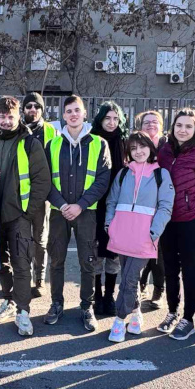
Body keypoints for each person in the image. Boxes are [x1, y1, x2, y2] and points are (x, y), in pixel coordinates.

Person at [0, 96, 51, 337]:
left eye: (11, 116)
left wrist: (28, 214)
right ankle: (9, 300)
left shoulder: (30, 143)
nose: (7, 121)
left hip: (18, 215)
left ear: (19, 116)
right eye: (2, 117)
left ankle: (23, 311)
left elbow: (42, 181)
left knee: (21, 264)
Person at [44, 95, 111, 332]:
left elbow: (103, 180)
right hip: (58, 212)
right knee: (57, 261)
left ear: (84, 114)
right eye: (69, 111)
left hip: (86, 213)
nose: (73, 114)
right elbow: (44, 180)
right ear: (63, 115)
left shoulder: (99, 144)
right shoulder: (52, 144)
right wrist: (62, 204)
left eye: (77, 110)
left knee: (87, 262)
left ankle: (86, 306)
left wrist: (80, 205)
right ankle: (56, 304)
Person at [105, 132, 174, 342]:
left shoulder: (161, 174)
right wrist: (110, 225)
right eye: (133, 148)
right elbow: (112, 201)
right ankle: (135, 314)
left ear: (150, 148)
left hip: (144, 238)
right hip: (122, 235)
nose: (138, 151)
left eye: (142, 147)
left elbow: (166, 206)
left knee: (129, 278)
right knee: (127, 277)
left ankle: (119, 319)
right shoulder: (123, 174)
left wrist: (154, 231)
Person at [156, 107, 195, 340]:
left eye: (188, 126)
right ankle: (172, 312)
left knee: (190, 270)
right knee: (169, 268)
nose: (183, 130)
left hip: (192, 221)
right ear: (173, 127)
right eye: (179, 125)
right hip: (167, 220)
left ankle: (188, 319)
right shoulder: (165, 150)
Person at [90, 101, 129, 317]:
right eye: (108, 118)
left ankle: (109, 295)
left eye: (116, 118)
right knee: (96, 251)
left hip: (119, 204)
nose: (112, 122)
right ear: (100, 119)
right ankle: (97, 295)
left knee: (114, 251)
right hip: (97, 203)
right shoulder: (92, 139)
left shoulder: (126, 142)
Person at [22, 92, 58, 298]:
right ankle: (24, 277)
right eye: (29, 106)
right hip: (20, 195)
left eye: (37, 107)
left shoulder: (52, 132)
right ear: (24, 109)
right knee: (23, 238)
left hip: (43, 194)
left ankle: (39, 279)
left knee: (40, 239)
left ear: (42, 110)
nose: (33, 110)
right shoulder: (18, 130)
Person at [134, 110, 167, 308]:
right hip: (139, 204)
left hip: (160, 203)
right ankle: (141, 285)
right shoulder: (136, 145)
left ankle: (158, 290)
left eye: (155, 122)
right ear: (140, 126)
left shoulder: (167, 146)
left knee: (159, 250)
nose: (151, 125)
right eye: (147, 122)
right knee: (139, 247)